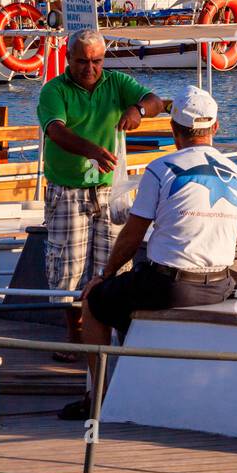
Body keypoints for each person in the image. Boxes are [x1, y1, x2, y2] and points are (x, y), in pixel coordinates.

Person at [68, 85, 237, 418]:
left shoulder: (160, 169)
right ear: (215, 128)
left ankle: (100, 399)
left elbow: (132, 236)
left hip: (169, 286)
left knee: (96, 303)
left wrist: (103, 276)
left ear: (174, 130)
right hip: (219, 286)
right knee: (131, 292)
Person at [36, 28, 168, 357]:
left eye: (96, 61)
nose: (90, 68)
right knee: (67, 268)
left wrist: (137, 110)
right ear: (68, 59)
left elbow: (155, 101)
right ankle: (74, 336)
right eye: (82, 61)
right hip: (68, 188)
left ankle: (105, 337)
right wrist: (91, 150)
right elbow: (56, 130)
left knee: (112, 264)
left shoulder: (116, 83)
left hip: (109, 190)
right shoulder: (54, 90)